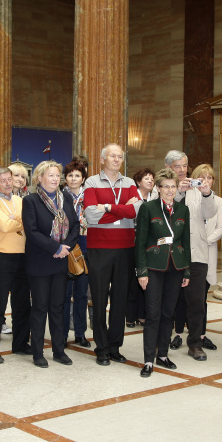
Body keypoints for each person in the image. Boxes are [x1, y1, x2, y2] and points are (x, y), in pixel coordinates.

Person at [83, 144, 141, 366]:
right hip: (99, 248)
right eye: (112, 156)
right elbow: (90, 215)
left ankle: (115, 346)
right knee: (99, 299)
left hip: (126, 249)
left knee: (120, 300)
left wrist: (106, 207)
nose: (116, 160)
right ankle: (102, 347)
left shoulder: (129, 184)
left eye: (120, 156)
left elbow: (137, 210)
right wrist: (121, 208)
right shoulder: (91, 183)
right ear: (102, 159)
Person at [22, 160, 79, 367]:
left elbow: (75, 226)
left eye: (57, 175)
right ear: (40, 178)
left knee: (58, 307)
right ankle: (38, 352)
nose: (56, 179)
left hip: (61, 261)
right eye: (51, 175)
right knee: (39, 307)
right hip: (40, 262)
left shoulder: (66, 198)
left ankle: (58, 350)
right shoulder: (31, 201)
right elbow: (32, 231)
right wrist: (55, 247)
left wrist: (65, 247)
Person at [135, 168, 190, 377]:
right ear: (158, 188)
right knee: (153, 314)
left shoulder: (183, 210)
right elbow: (140, 242)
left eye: (173, 186)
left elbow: (186, 243)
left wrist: (187, 272)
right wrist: (141, 271)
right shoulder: (148, 208)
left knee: (169, 312)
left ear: (177, 188)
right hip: (153, 268)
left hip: (176, 267)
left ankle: (163, 355)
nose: (169, 190)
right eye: (165, 186)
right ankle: (149, 359)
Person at [165, 150, 217, 361]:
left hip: (196, 254)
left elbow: (209, 213)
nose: (182, 170)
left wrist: (205, 193)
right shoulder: (162, 189)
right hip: (170, 254)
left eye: (185, 166)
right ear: (169, 167)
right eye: (177, 166)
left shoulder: (197, 190)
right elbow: (165, 211)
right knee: (169, 300)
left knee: (196, 301)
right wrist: (177, 191)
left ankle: (195, 343)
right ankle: (163, 340)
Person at [0, 167, 32, 362]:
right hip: (1, 256)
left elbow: (27, 221)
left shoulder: (20, 201)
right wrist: (19, 221)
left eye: (9, 179)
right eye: (3, 180)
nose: (8, 183)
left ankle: (20, 344)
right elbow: (4, 225)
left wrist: (16, 219)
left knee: (22, 304)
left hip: (23, 255)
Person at [193, 163, 222, 350]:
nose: (206, 181)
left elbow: (221, 228)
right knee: (185, 297)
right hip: (191, 254)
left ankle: (201, 333)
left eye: (210, 177)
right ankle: (181, 333)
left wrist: (203, 241)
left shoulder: (218, 201)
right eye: (202, 177)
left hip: (208, 251)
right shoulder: (189, 198)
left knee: (201, 297)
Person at [62, 160, 91, 347]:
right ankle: (62, 333)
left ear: (83, 178)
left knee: (82, 293)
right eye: (70, 175)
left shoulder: (90, 195)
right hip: (64, 245)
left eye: (77, 175)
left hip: (85, 243)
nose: (74, 178)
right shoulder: (58, 195)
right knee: (63, 294)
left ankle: (80, 333)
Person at [126, 168, 156, 329]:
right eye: (147, 178)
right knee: (132, 281)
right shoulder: (132, 197)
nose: (150, 181)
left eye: (152, 179)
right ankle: (130, 316)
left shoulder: (155, 198)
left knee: (146, 279)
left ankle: (142, 314)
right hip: (132, 243)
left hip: (149, 245)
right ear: (138, 182)